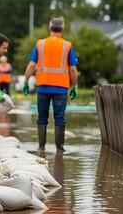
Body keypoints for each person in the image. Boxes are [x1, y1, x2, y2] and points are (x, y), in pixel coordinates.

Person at [22, 17, 78, 152]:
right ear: (62, 30)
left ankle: (41, 147)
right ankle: (60, 148)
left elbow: (31, 65)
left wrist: (25, 82)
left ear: (49, 29)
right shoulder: (67, 45)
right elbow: (72, 69)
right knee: (59, 118)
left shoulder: (40, 44)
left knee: (42, 117)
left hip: (43, 86)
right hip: (61, 88)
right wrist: (74, 86)